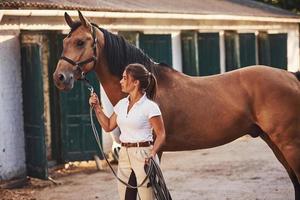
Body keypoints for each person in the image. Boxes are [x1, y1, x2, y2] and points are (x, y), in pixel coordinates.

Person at [89, 63, 166, 200]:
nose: (121, 81)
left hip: (144, 156)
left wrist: (152, 153)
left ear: (135, 83)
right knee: (126, 197)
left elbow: (161, 135)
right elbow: (107, 126)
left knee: (147, 198)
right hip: (124, 154)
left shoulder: (150, 107)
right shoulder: (121, 104)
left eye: (125, 78)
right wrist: (97, 108)